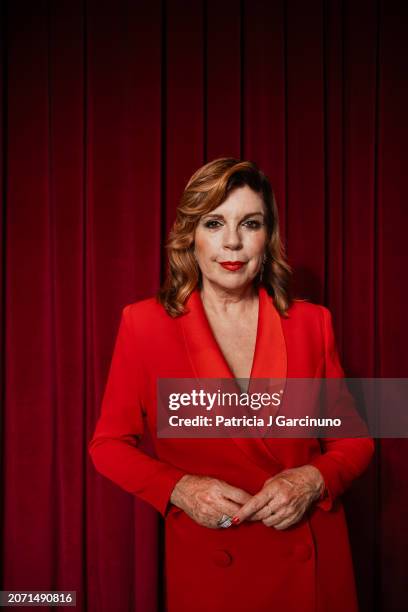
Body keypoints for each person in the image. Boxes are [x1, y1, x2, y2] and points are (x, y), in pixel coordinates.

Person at [88, 158, 374, 612]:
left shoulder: (311, 323)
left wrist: (314, 479)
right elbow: (107, 445)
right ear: (191, 236)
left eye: (251, 223)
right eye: (215, 222)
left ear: (268, 236)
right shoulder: (144, 325)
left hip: (312, 566)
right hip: (213, 568)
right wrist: (180, 488)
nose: (233, 242)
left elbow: (355, 442)